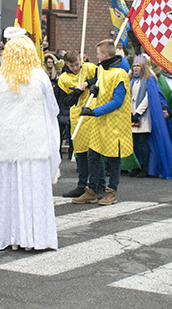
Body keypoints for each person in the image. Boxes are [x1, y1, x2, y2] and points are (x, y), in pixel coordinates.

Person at [0, 29, 59, 251]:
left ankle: (9, 237)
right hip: (34, 141)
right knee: (34, 191)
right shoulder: (41, 77)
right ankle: (36, 238)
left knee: (7, 192)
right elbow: (52, 110)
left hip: (6, 141)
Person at [75, 39, 133, 205]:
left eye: (99, 53)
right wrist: (96, 91)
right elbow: (104, 94)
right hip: (100, 122)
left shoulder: (120, 74)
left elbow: (117, 101)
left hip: (114, 123)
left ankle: (112, 191)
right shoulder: (101, 70)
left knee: (113, 158)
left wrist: (94, 111)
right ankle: (92, 190)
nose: (97, 56)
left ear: (105, 54)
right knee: (93, 154)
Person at [56, 51, 101, 199]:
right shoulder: (63, 79)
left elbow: (102, 78)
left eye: (77, 64)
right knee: (80, 153)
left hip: (93, 113)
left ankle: (98, 186)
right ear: (67, 64)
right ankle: (82, 185)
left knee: (95, 152)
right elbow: (65, 101)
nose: (76, 68)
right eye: (72, 65)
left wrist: (89, 83)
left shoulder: (89, 68)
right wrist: (78, 91)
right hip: (77, 116)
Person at [128, 54, 152, 177]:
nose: (136, 68)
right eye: (134, 66)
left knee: (143, 142)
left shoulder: (148, 80)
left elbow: (147, 98)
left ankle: (145, 167)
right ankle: (136, 166)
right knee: (134, 143)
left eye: (138, 66)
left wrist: (138, 112)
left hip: (142, 116)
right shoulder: (131, 80)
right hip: (132, 115)